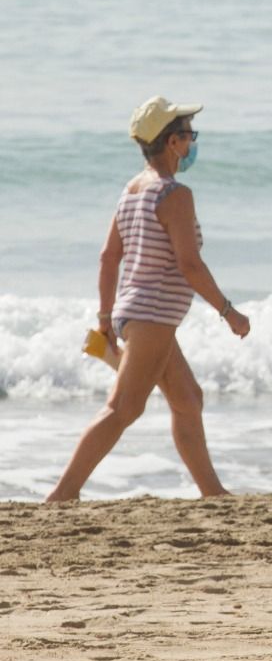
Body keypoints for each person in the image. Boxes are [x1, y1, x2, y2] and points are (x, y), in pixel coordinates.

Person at [45, 97, 250, 502]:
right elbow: (190, 265)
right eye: (189, 135)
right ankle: (63, 494)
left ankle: (213, 492)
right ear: (173, 142)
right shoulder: (175, 194)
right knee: (123, 408)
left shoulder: (132, 189)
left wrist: (106, 317)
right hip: (152, 314)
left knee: (188, 399)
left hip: (135, 311)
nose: (193, 143)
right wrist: (229, 312)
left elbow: (109, 257)